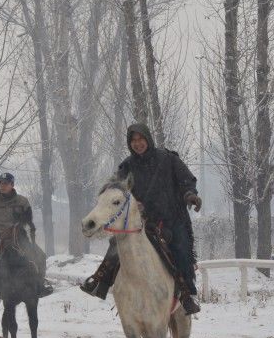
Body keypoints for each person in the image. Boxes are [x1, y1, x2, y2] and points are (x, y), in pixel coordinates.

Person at [80, 122, 203, 315]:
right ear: (130, 143)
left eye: (141, 139)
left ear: (148, 138)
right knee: (116, 244)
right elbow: (115, 185)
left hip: (172, 218)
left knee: (181, 248)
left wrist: (190, 195)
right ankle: (100, 281)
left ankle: (187, 294)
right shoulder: (128, 165)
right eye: (133, 140)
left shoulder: (168, 159)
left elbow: (186, 180)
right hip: (144, 221)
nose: (138, 143)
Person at [0, 173, 54, 303]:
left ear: (12, 185)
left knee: (40, 255)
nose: (2, 186)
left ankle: (40, 285)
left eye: (5, 183)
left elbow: (28, 221)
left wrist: (27, 235)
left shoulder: (23, 201)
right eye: (1, 183)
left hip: (19, 239)